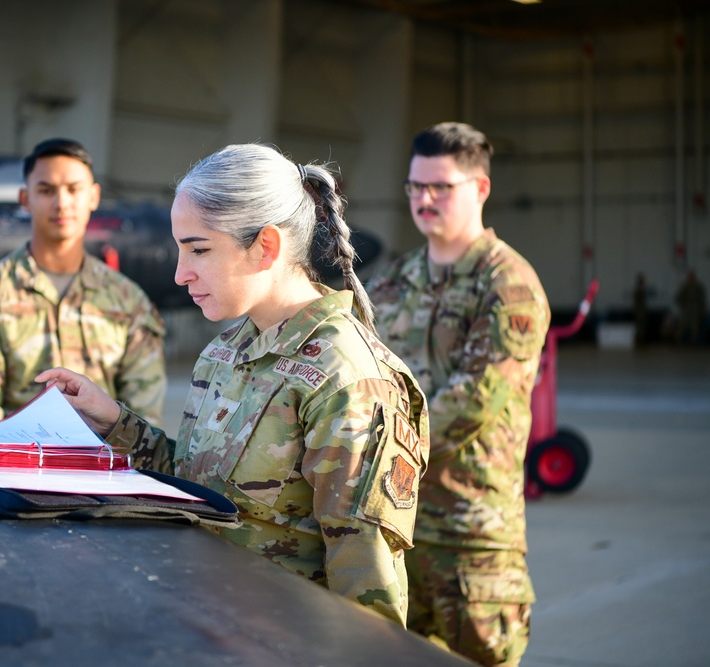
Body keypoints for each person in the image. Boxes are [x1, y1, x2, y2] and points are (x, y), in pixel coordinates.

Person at [36, 143, 430, 628]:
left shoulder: (347, 380)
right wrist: (115, 422)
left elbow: (369, 596)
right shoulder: (227, 350)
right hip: (202, 624)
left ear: (266, 246)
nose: (181, 274)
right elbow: (199, 489)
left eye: (199, 249)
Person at [367, 122, 549, 666]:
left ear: (480, 189)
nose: (424, 199)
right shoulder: (392, 282)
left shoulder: (508, 285)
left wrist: (373, 451)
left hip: (471, 536)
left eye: (440, 187)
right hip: (397, 527)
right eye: (415, 186)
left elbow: (474, 400)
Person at [0, 138, 167, 424]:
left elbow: (143, 428)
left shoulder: (130, 302)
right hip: (14, 465)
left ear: (94, 197)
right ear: (25, 199)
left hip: (105, 466)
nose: (61, 203)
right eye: (46, 190)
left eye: (74, 189)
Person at [675, 268, 706, 346]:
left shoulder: (698, 287)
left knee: (694, 326)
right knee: (682, 325)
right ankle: (678, 340)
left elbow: (702, 300)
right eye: (690, 277)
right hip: (687, 308)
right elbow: (679, 297)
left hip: (695, 310)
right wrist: (683, 304)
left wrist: (702, 310)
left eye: (692, 277)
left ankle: (693, 342)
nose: (691, 278)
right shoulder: (685, 286)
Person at [633, 272, 648, 346]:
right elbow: (637, 302)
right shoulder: (638, 291)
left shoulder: (641, 290)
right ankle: (638, 341)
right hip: (639, 312)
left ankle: (640, 340)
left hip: (641, 312)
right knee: (639, 327)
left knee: (641, 327)